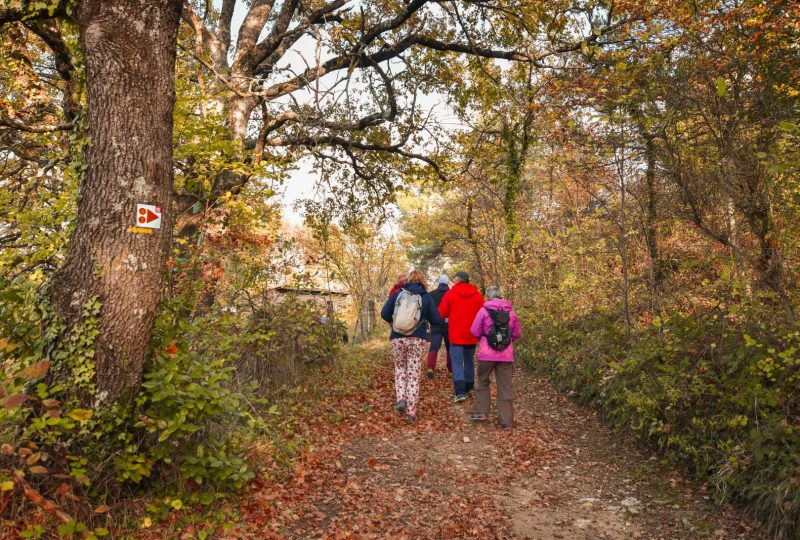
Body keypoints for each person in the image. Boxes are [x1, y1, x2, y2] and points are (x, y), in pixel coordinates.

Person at [381, 269, 444, 424]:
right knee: (413, 375)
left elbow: (384, 313)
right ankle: (411, 412)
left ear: (408, 279)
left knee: (400, 368)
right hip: (417, 339)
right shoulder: (426, 297)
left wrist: (395, 321)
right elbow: (436, 319)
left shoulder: (398, 293)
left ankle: (401, 398)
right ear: (423, 280)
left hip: (397, 338)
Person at [469, 285, 522, 430]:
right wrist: (506, 341)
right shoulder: (511, 311)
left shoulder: (484, 310)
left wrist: (484, 338)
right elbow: (517, 333)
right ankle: (506, 421)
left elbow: (474, 331)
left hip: (486, 354)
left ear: (488, 296)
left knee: (482, 381)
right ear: (500, 295)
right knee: (505, 386)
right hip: (506, 355)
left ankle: (481, 413)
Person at [437, 271, 484, 402]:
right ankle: (470, 387)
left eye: (454, 279)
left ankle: (460, 392)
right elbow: (483, 314)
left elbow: (441, 313)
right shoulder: (478, 295)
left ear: (458, 280)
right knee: (469, 361)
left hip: (456, 335)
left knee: (457, 362)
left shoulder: (450, 294)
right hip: (472, 335)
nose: (452, 281)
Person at [426, 274, 452, 379]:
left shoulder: (431, 294)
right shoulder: (451, 294)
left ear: (439, 282)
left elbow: (428, 309)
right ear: (447, 282)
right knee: (450, 346)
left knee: (434, 346)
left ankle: (430, 367)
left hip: (435, 324)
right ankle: (451, 369)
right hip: (449, 324)